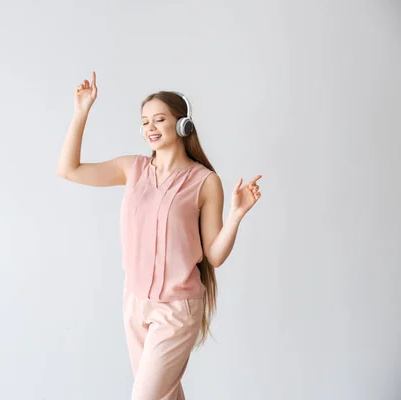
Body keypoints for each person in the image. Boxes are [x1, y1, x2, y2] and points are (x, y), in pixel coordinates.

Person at [56, 71, 262, 400]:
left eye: (159, 119)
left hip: (177, 309)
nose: (150, 128)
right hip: (135, 303)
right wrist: (82, 110)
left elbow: (215, 256)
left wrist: (236, 215)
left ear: (183, 125)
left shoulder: (205, 181)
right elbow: (69, 169)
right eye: (145, 121)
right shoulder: (132, 168)